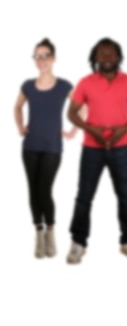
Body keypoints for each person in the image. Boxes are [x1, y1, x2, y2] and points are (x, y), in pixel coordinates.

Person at [66, 37, 127, 264]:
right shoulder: (85, 82)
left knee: (126, 197)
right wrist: (91, 129)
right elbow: (71, 113)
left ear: (118, 57)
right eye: (102, 54)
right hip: (92, 148)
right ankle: (78, 242)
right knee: (84, 197)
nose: (107, 58)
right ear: (95, 57)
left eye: (111, 54)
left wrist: (123, 131)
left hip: (121, 148)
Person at [14, 38, 77, 259]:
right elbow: (18, 106)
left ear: (53, 59)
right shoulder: (28, 86)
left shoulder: (63, 86)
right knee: (32, 190)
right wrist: (21, 126)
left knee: (44, 189)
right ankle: (39, 233)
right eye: (37, 56)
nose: (41, 60)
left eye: (45, 56)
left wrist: (73, 131)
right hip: (30, 146)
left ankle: (50, 231)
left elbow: (82, 106)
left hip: (52, 147)